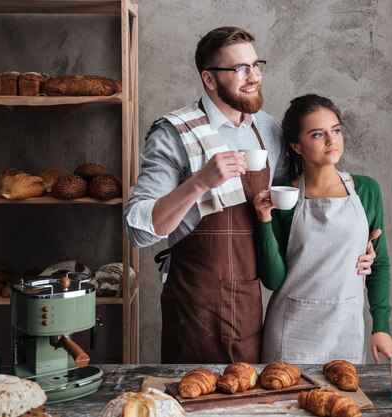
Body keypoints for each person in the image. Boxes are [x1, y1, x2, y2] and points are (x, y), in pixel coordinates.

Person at [123, 27, 377, 364]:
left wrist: (355, 248)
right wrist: (199, 182)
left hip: (249, 298)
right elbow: (138, 230)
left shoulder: (269, 129)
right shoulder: (173, 133)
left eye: (256, 65)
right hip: (194, 301)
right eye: (240, 69)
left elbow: (296, 214)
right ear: (210, 80)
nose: (254, 76)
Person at [254, 94, 392, 364]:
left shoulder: (366, 190)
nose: (332, 141)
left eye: (336, 130)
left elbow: (380, 264)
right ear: (297, 145)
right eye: (318, 135)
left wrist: (381, 326)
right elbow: (273, 280)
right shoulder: (284, 196)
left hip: (346, 328)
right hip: (291, 330)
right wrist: (264, 222)